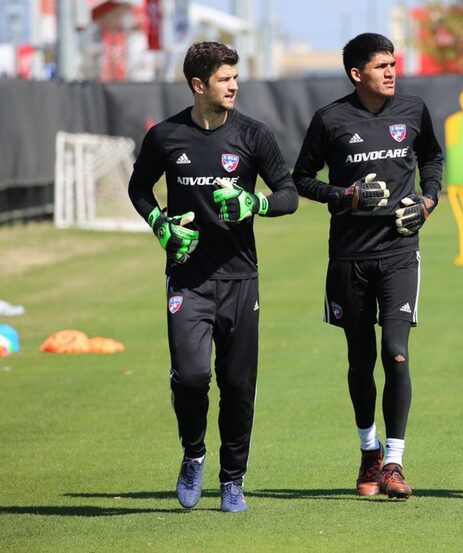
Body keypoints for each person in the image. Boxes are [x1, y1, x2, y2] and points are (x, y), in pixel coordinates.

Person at [128, 41, 298, 512]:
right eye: (225, 79)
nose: (234, 86)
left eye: (235, 78)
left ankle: (232, 479)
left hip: (241, 280)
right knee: (191, 376)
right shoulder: (166, 137)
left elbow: (288, 193)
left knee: (239, 385)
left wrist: (254, 202)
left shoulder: (254, 135)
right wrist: (160, 224)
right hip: (188, 279)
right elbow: (138, 187)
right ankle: (194, 453)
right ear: (199, 84)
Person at [292, 32, 443, 500]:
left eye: (393, 64)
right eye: (381, 66)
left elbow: (433, 157)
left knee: (395, 351)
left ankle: (394, 462)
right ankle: (368, 451)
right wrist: (345, 196)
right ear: (357, 74)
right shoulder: (330, 119)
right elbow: (300, 179)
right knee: (360, 358)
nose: (391, 72)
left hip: (399, 252)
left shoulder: (413, 111)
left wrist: (429, 199)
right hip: (349, 259)